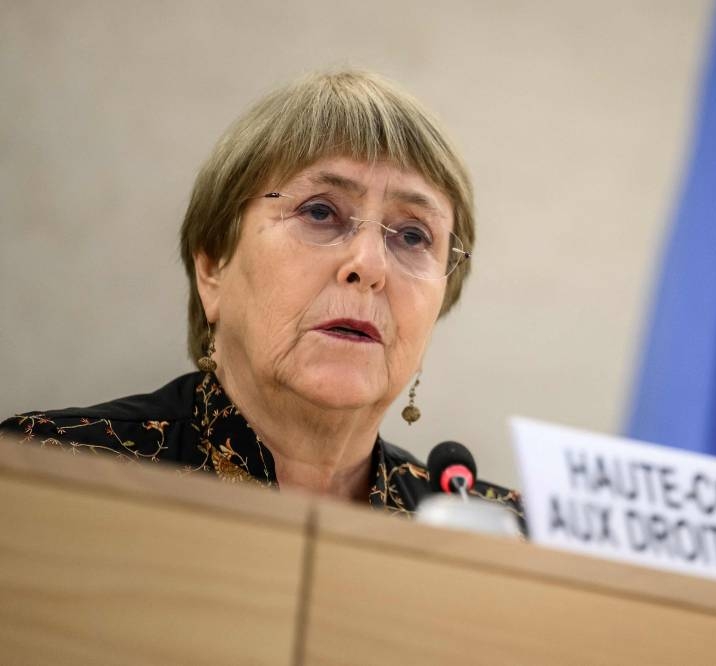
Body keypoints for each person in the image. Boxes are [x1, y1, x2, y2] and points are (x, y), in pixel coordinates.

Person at [0, 70, 521, 519]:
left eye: (412, 236)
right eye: (320, 211)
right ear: (213, 267)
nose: (368, 266)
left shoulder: (507, 544)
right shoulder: (44, 473)